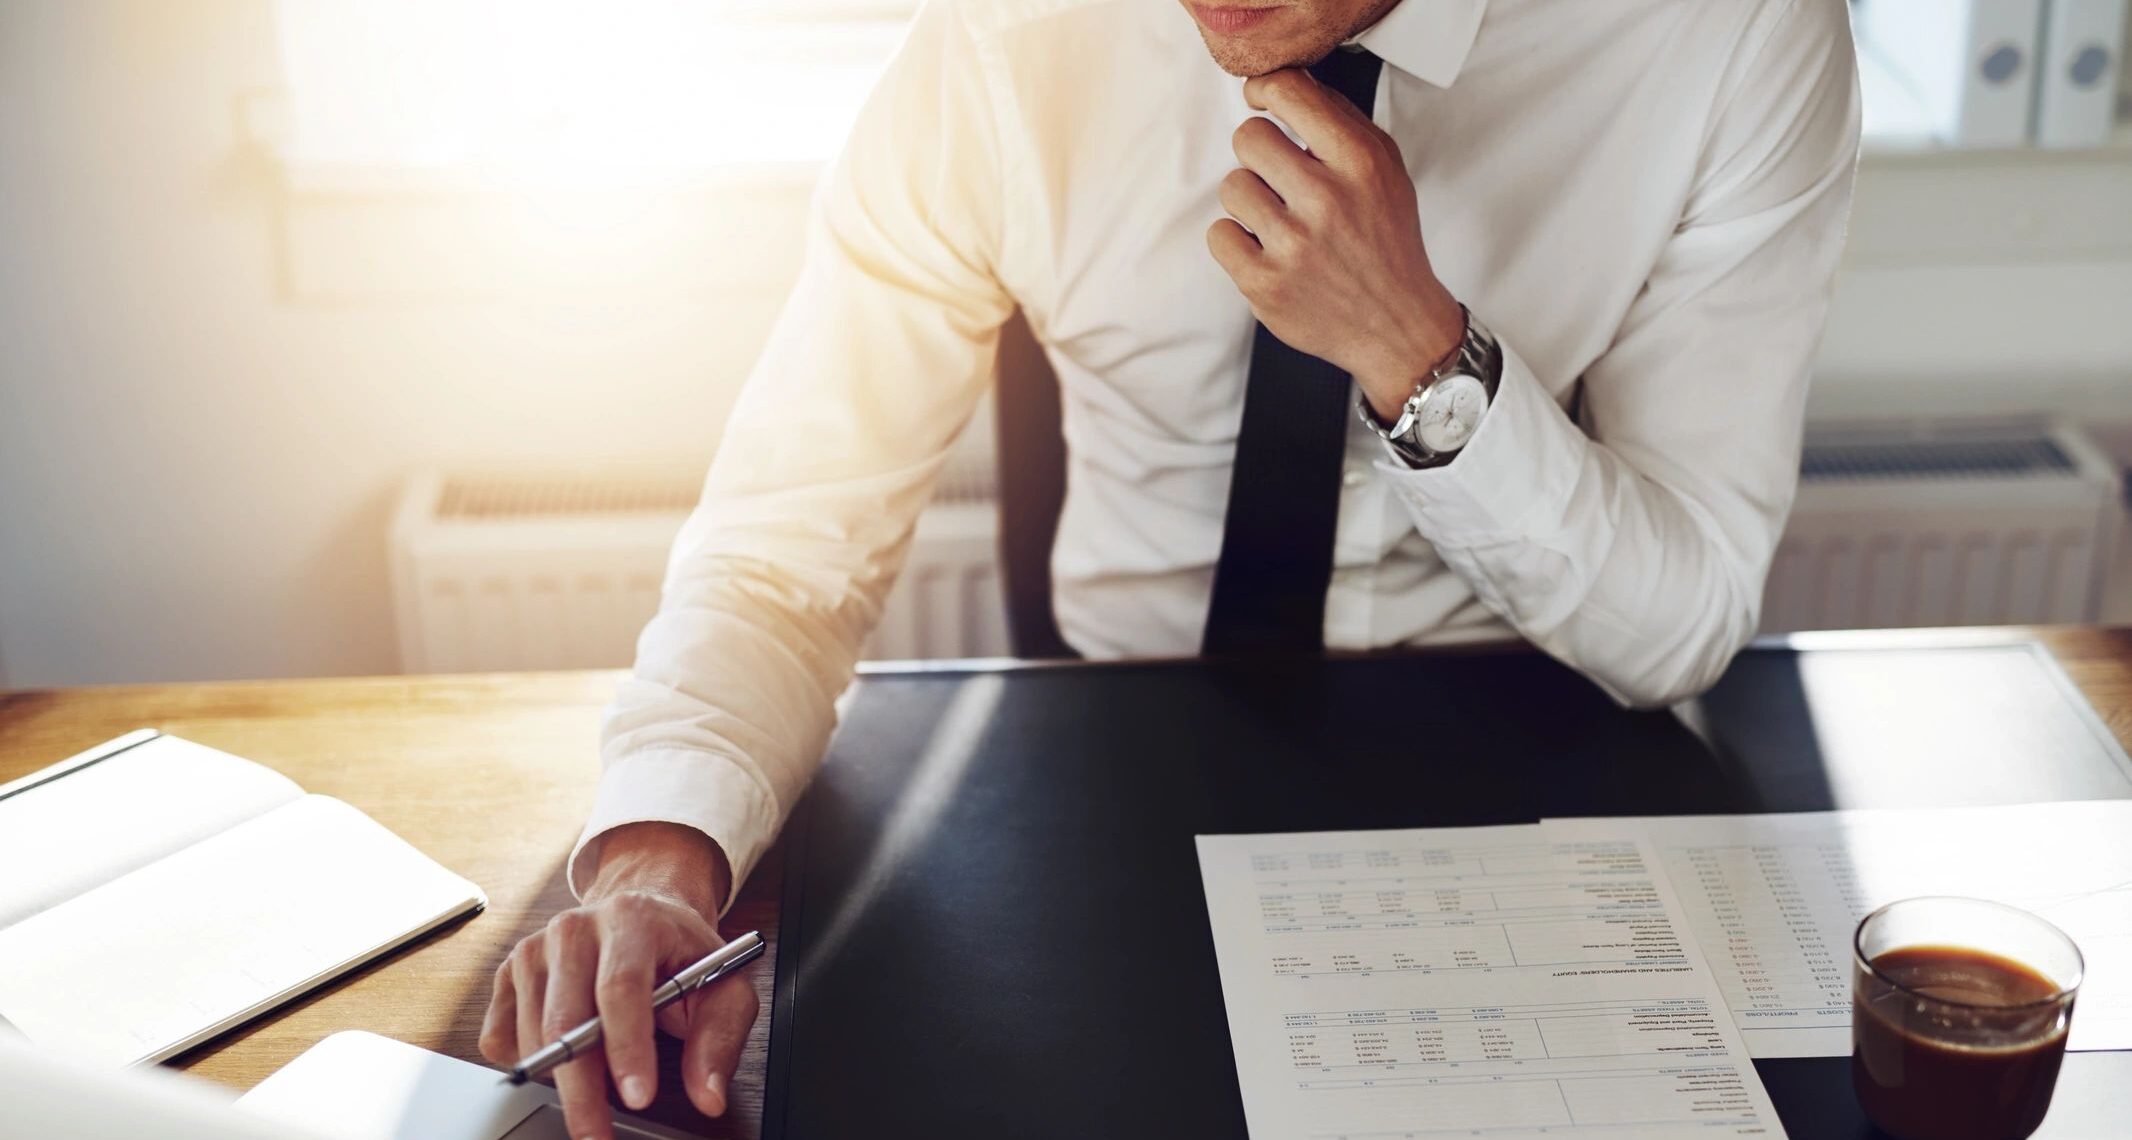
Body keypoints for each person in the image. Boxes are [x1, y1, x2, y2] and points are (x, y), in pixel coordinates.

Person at [479, 0, 1862, 1134]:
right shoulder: (999, 43)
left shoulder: (1734, 34)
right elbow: (787, 547)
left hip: (1535, 779)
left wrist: (1421, 357)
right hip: (1093, 788)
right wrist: (658, 859)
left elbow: (1680, 620)